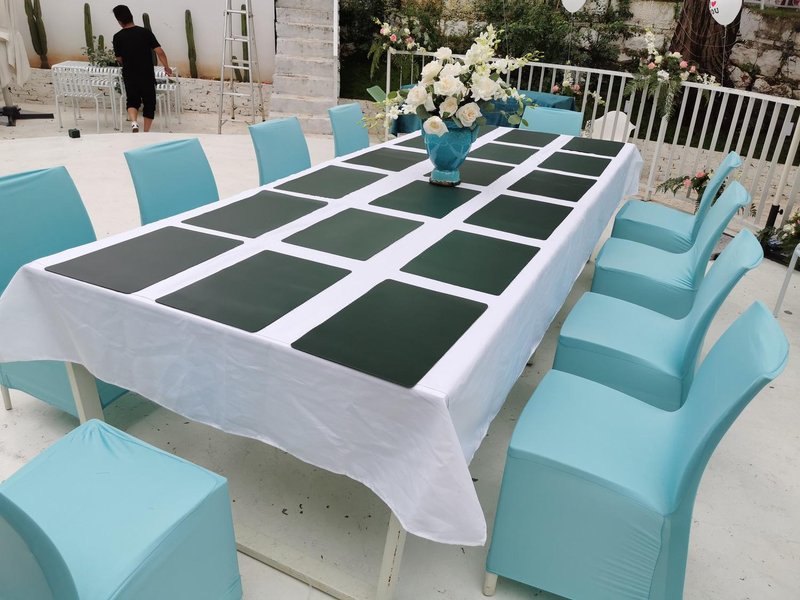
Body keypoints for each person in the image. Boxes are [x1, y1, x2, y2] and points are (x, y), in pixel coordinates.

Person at [112, 5, 172, 133]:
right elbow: (159, 52)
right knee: (149, 102)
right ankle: (145, 132)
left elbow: (119, 58)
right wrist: (166, 67)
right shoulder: (145, 33)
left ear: (119, 21)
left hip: (129, 73)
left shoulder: (117, 37)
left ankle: (134, 123)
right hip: (146, 74)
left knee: (132, 100)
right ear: (131, 16)